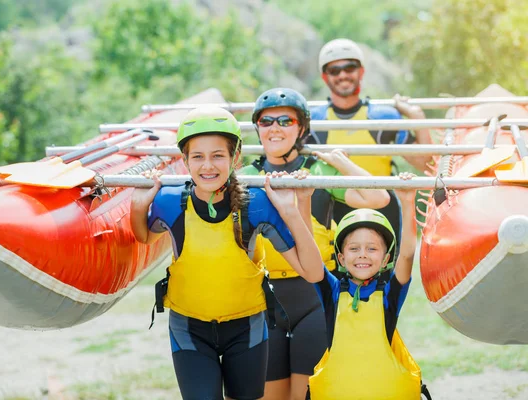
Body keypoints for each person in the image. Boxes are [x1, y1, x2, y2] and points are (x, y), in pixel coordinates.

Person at [130, 106, 324, 400]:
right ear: (185, 161)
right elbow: (144, 236)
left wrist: (289, 210)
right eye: (198, 156)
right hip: (189, 329)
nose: (208, 166)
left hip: (246, 329)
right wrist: (137, 206)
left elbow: (313, 272)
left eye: (218, 155)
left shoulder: (256, 203)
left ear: (235, 158)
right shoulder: (170, 202)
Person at [239, 87, 390, 400]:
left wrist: (341, 162)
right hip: (264, 300)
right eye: (266, 122)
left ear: (302, 128)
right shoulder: (244, 176)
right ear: (257, 128)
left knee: (307, 395)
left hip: (314, 297)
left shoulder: (318, 169)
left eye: (285, 120)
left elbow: (378, 197)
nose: (275, 128)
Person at [308, 172, 430, 399]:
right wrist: (304, 199)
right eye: (354, 249)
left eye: (372, 249)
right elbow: (309, 250)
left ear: (385, 259)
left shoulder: (389, 294)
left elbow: (407, 255)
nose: (362, 255)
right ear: (341, 258)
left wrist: (406, 201)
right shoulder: (333, 293)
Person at [310, 37, 433, 248]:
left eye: (350, 67)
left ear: (361, 72)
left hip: (382, 210)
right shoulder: (314, 121)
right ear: (325, 77)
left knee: (386, 279)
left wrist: (417, 117)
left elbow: (425, 163)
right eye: (334, 70)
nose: (343, 75)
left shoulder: (382, 117)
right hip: (333, 211)